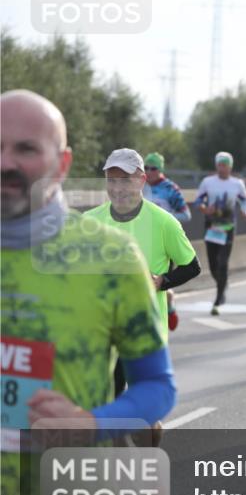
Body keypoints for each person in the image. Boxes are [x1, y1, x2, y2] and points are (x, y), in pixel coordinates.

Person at [1, 90, 175, 495]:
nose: (5, 162)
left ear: (64, 162)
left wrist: (90, 423)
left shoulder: (111, 257)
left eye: (26, 148)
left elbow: (157, 388)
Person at [84, 148, 200, 396]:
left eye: (125, 180)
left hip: (146, 332)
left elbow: (192, 266)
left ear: (141, 180)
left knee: (143, 419)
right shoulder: (89, 222)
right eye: (111, 180)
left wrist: (161, 281)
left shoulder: (163, 222)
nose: (117, 188)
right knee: (110, 401)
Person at [194, 152, 246, 314]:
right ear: (216, 165)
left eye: (225, 164)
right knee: (212, 264)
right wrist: (205, 208)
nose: (222, 167)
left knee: (222, 262)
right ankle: (222, 283)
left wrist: (245, 211)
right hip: (211, 226)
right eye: (219, 164)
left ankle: (219, 296)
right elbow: (198, 201)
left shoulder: (237, 184)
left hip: (228, 227)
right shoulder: (208, 182)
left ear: (230, 166)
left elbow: (245, 200)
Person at [143, 151, 191, 330]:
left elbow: (186, 214)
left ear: (160, 169)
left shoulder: (171, 189)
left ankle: (166, 306)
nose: (149, 171)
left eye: (153, 168)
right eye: (145, 168)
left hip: (163, 244)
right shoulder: (139, 187)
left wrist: (163, 217)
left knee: (156, 285)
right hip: (142, 241)